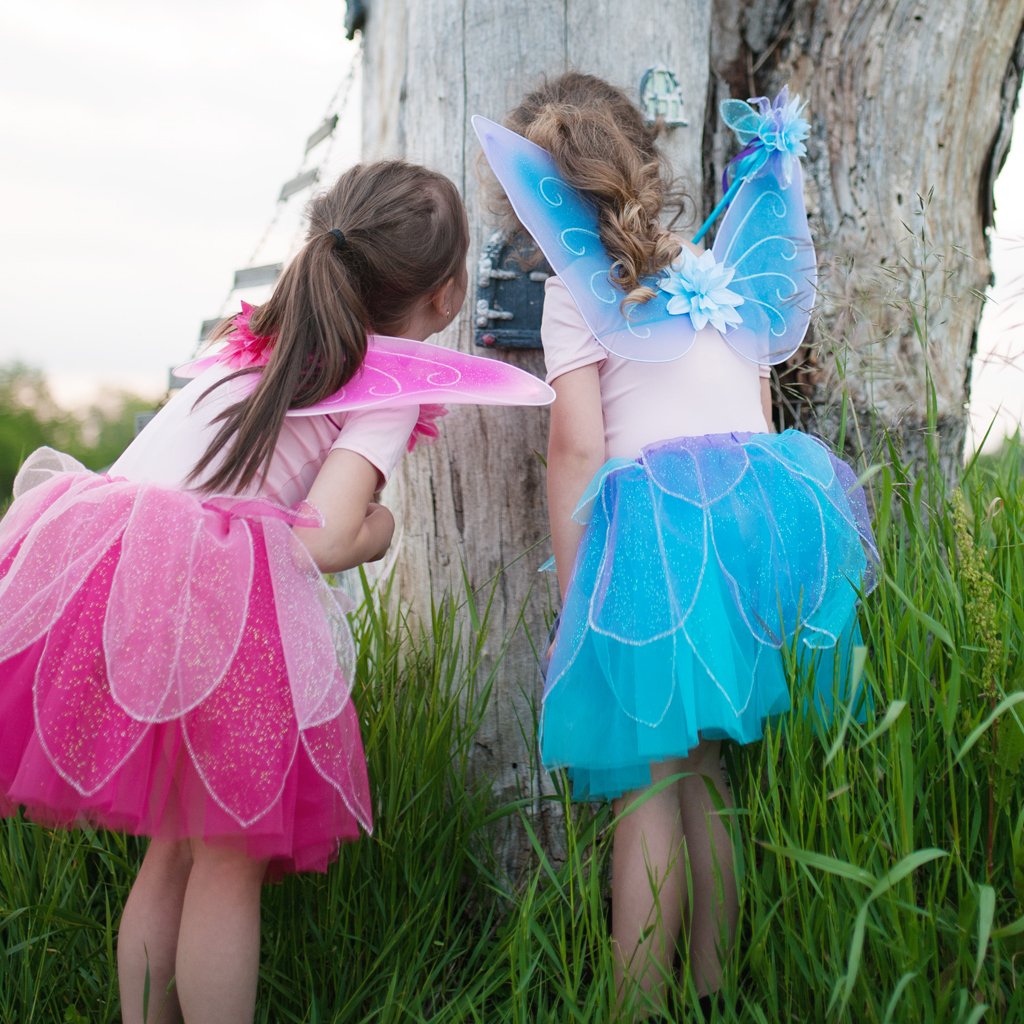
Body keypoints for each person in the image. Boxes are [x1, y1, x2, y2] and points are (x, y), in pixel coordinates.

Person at [0, 159, 551, 1024]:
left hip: (118, 570)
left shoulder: (252, 340)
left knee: (173, 851)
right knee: (224, 859)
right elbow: (327, 535)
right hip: (219, 598)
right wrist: (383, 532)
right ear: (446, 297)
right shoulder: (389, 381)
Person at [479, 73, 877, 1016]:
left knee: (648, 793)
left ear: (541, 204)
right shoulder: (718, 275)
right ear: (642, 164)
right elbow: (749, 414)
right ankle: (710, 993)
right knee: (708, 775)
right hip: (760, 530)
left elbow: (578, 449)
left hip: (662, 544)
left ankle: (635, 1007)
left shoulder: (580, 291)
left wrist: (584, 606)